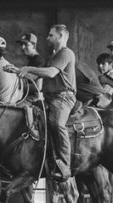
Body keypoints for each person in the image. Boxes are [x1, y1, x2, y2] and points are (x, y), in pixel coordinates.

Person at [14, 24, 76, 185]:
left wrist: (27, 68)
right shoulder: (54, 55)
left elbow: (51, 73)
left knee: (56, 123)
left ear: (61, 36)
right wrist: (15, 71)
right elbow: (38, 75)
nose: (47, 38)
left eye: (51, 35)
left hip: (63, 98)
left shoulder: (66, 53)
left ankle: (65, 165)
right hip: (50, 98)